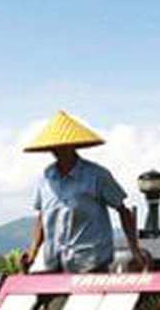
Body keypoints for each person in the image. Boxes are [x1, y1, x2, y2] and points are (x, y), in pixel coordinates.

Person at [21, 110, 148, 274]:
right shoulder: (46, 178)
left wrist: (135, 250)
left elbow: (123, 211)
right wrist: (33, 251)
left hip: (91, 263)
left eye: (62, 146)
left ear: (73, 146)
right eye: (54, 147)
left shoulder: (96, 175)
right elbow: (42, 216)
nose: (57, 151)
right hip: (55, 261)